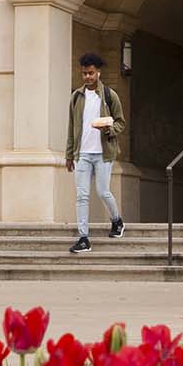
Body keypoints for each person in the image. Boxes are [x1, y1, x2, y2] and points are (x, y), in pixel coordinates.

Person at [65, 51, 126, 254]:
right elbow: (72, 127)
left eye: (91, 73)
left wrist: (109, 129)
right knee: (82, 196)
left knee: (102, 191)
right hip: (82, 153)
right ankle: (83, 238)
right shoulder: (76, 97)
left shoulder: (109, 95)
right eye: (84, 73)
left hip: (103, 153)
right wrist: (69, 155)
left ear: (98, 72)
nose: (88, 77)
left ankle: (116, 221)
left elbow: (121, 122)